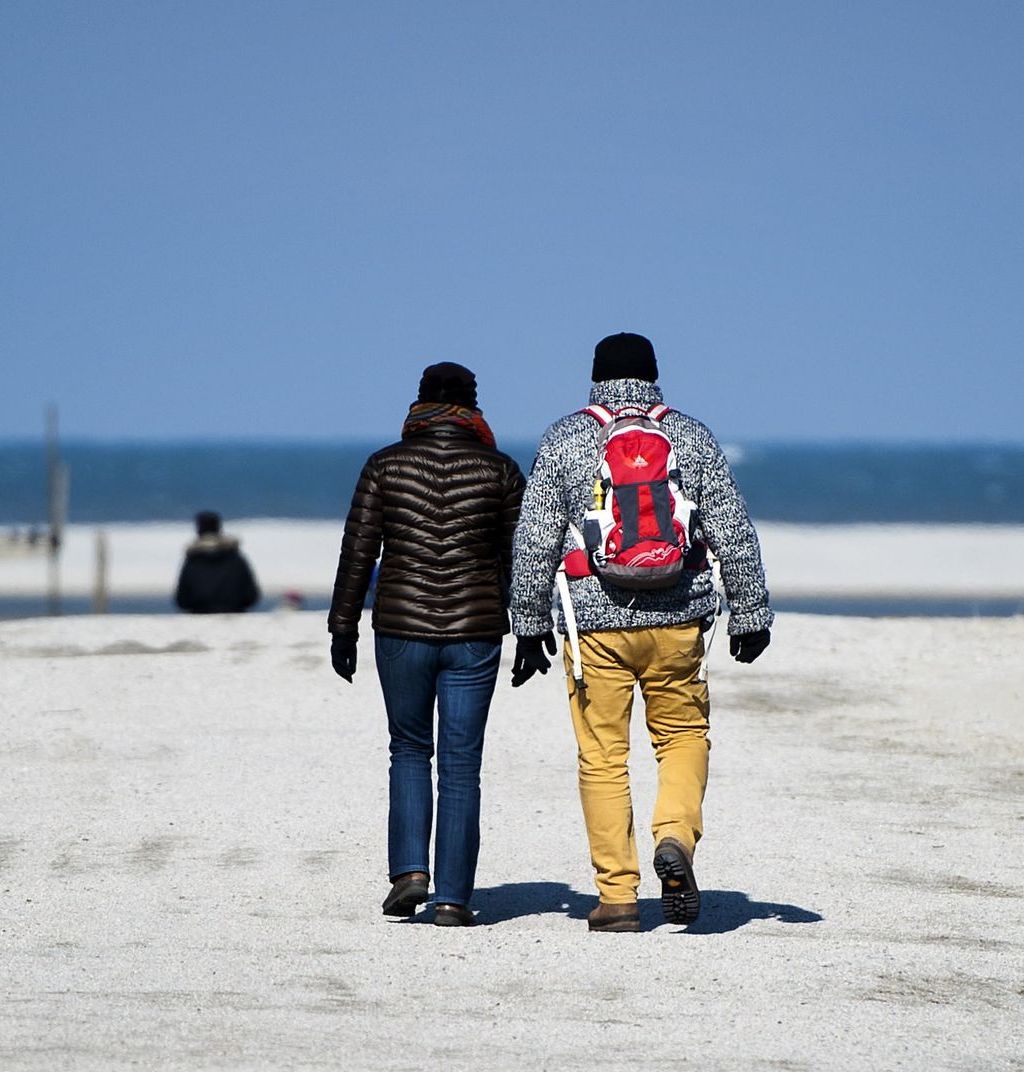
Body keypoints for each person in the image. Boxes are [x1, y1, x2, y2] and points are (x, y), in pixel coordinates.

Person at [509, 332, 772, 932]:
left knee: (603, 756)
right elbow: (732, 526)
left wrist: (527, 622)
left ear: (595, 376)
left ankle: (618, 896)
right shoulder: (691, 436)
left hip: (595, 627)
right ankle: (675, 835)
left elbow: (534, 538)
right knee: (682, 737)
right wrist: (750, 612)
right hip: (679, 618)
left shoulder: (567, 438)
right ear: (654, 375)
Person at [329, 362, 524, 927]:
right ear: (474, 408)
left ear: (418, 404)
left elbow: (358, 552)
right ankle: (453, 899)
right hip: (474, 633)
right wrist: (529, 628)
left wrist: (342, 626)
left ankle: (410, 872)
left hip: (400, 631)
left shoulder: (384, 464)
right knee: (462, 765)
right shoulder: (501, 470)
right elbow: (522, 560)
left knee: (409, 749)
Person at [174, 511, 261, 614]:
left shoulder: (193, 559)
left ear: (198, 529)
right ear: (218, 527)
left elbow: (182, 600)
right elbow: (251, 595)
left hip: (199, 615)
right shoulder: (235, 557)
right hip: (234, 614)